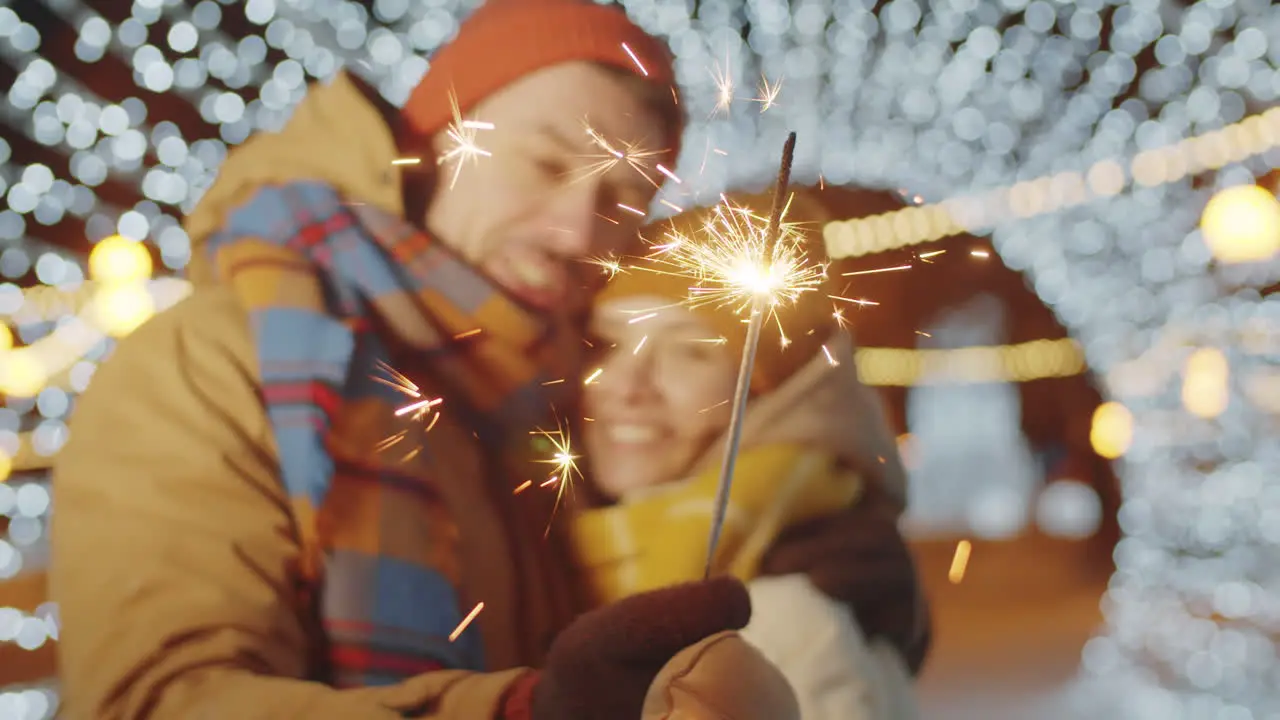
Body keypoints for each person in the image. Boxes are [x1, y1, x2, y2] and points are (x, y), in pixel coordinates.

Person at [50, 1, 927, 718]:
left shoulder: (547, 399)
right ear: (434, 140)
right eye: (545, 163)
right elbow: (158, 701)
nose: (577, 230)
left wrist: (799, 563)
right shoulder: (212, 361)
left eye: (625, 195)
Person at [571, 189, 920, 718]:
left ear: (767, 393)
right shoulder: (566, 548)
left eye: (690, 351)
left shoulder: (784, 616)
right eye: (608, 344)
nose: (627, 385)